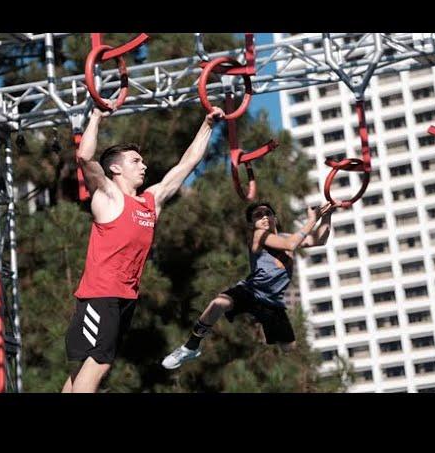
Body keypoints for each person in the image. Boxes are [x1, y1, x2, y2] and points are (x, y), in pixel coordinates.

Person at [62, 102, 225, 393]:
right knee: (98, 363)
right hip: (102, 295)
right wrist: (97, 115)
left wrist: (207, 125)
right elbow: (85, 156)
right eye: (136, 161)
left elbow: (186, 165)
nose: (144, 165)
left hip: (125, 298)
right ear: (115, 168)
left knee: (86, 368)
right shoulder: (107, 195)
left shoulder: (151, 201)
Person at [161, 200, 336, 369]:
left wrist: (326, 216)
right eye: (258, 215)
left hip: (272, 301)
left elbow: (319, 240)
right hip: (251, 291)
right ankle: (191, 346)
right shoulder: (259, 235)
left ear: (275, 218)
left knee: (289, 348)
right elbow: (291, 244)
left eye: (268, 213)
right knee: (218, 303)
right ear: (252, 224)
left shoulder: (285, 237)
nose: (264, 217)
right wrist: (312, 219)